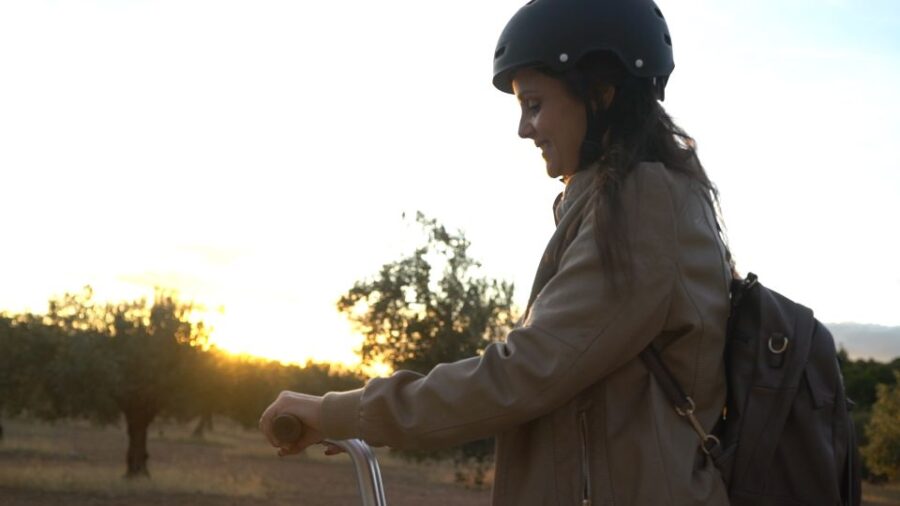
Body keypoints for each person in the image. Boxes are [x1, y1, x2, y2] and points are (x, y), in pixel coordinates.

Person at [260, 0, 734, 504]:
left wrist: (341, 412)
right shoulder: (629, 203)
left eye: (534, 104)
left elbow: (523, 373)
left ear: (601, 93)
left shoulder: (645, 205)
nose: (524, 129)